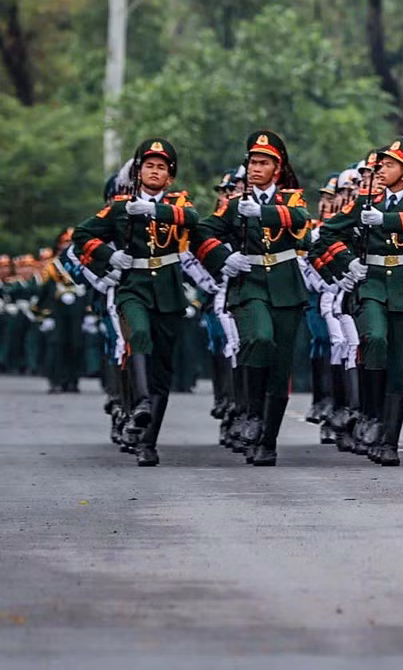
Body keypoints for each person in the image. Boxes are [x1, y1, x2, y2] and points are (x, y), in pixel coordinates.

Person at [72, 138, 204, 466]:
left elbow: (192, 218)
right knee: (139, 335)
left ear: (170, 176)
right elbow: (82, 235)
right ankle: (141, 403)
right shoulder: (120, 206)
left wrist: (152, 209)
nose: (155, 171)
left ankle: (148, 442)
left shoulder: (178, 202)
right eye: (149, 165)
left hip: (169, 292)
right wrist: (109, 256)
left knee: (163, 369)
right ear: (138, 171)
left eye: (161, 167)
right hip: (133, 288)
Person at [314, 138, 403, 467]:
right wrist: (347, 262)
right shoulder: (366, 201)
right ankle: (369, 414)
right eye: (380, 164)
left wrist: (386, 221)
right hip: (371, 284)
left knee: (400, 367)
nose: (382, 169)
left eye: (390, 164)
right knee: (374, 339)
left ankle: (389, 439)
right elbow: (329, 233)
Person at [192, 131, 311, 466]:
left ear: (277, 167)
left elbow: (301, 221)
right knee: (259, 338)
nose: (256, 168)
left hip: (286, 288)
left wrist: (261, 213)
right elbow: (202, 233)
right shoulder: (234, 205)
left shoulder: (291, 200)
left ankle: (267, 440)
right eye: (252, 162)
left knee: (280, 366)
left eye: (263, 163)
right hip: (249, 286)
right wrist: (223, 258)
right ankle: (249, 412)